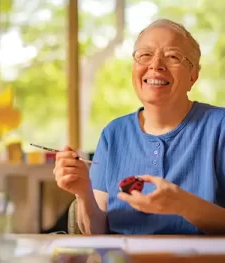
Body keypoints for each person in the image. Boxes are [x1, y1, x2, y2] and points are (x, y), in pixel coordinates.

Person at [53, 18, 225, 235]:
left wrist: (183, 204)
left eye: (172, 56)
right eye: (145, 55)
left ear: (193, 76)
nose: (155, 65)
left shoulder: (220, 127)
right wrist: (82, 192)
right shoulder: (113, 134)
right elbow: (96, 233)